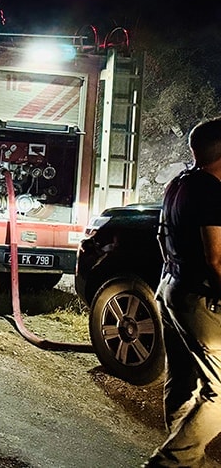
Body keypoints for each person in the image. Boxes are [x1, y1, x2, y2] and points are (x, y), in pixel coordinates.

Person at [144, 116, 221, 467]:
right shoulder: (211, 190)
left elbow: (163, 238)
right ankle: (171, 461)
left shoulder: (179, 183)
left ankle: (188, 458)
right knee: (218, 393)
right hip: (197, 299)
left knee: (182, 381)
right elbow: (215, 258)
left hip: (171, 288)